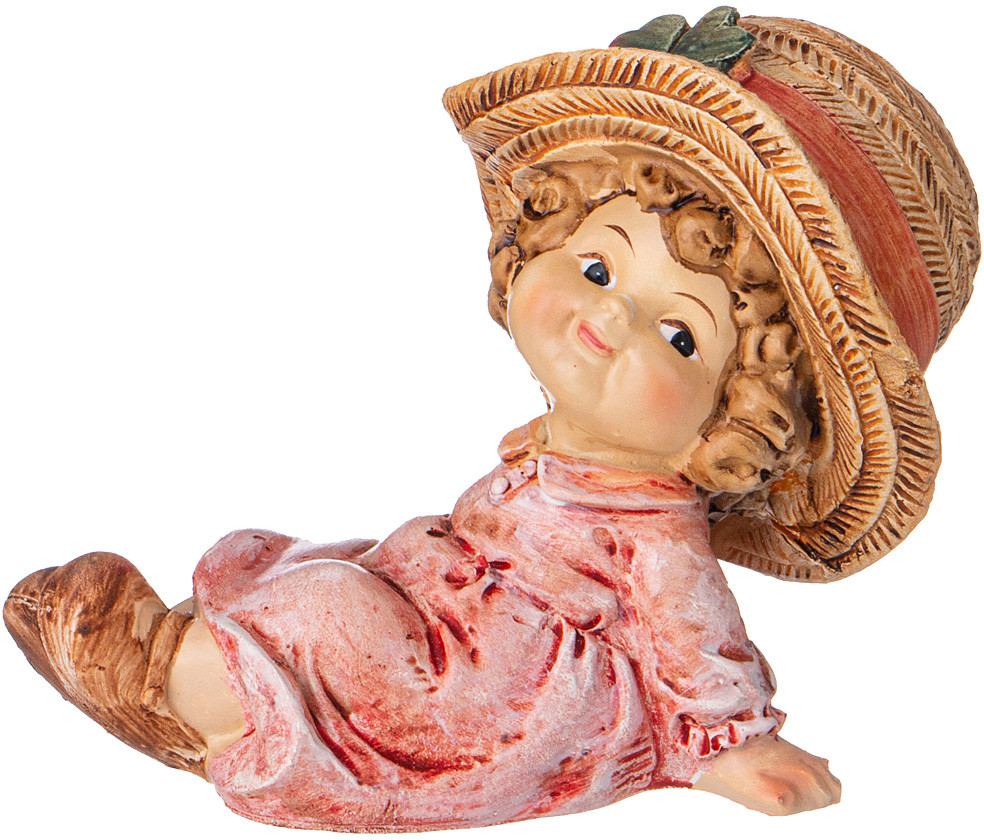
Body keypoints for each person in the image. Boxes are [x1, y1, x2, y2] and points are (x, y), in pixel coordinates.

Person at [5, 7, 978, 831]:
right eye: (597, 266)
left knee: (339, 618)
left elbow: (699, 642)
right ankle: (206, 674)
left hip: (501, 688)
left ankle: (182, 688)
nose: (611, 317)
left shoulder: (656, 528)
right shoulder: (560, 449)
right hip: (451, 607)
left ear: (738, 418)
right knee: (323, 580)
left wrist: (734, 746)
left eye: (680, 335)